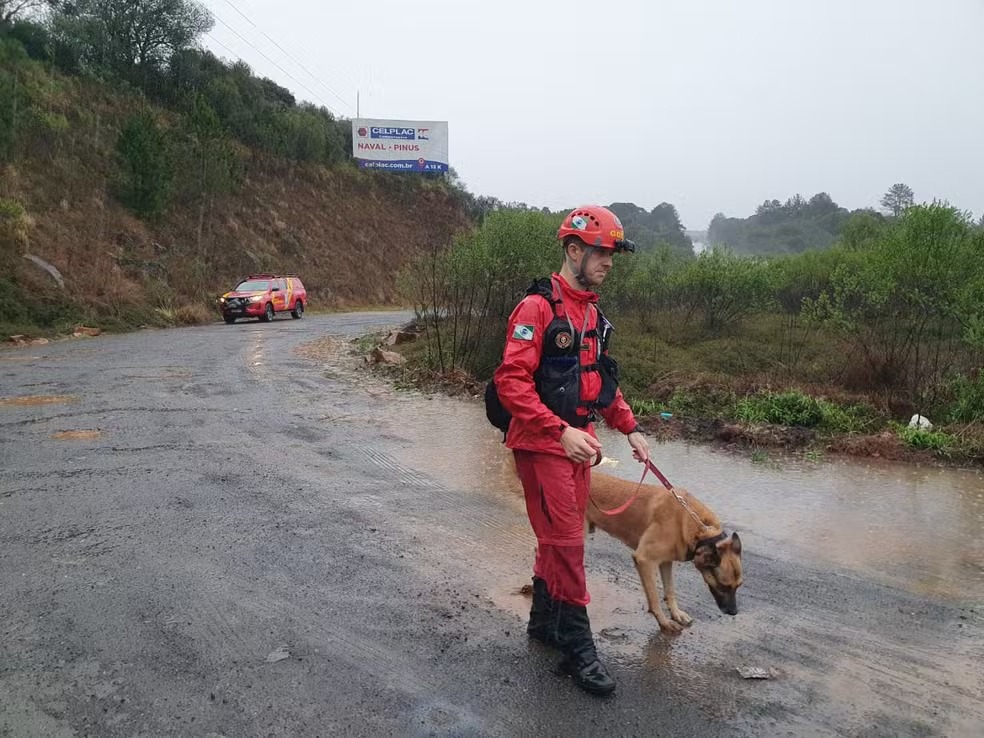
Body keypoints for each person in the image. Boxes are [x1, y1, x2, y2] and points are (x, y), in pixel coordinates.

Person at [492, 205, 650, 696]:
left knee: (558, 540)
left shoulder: (592, 315)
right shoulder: (536, 309)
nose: (609, 262)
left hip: (579, 444)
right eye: (602, 252)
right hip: (543, 445)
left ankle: (544, 624)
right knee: (568, 543)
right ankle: (579, 650)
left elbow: (600, 384)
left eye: (613, 255)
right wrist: (558, 431)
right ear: (574, 249)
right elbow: (510, 383)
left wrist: (631, 428)